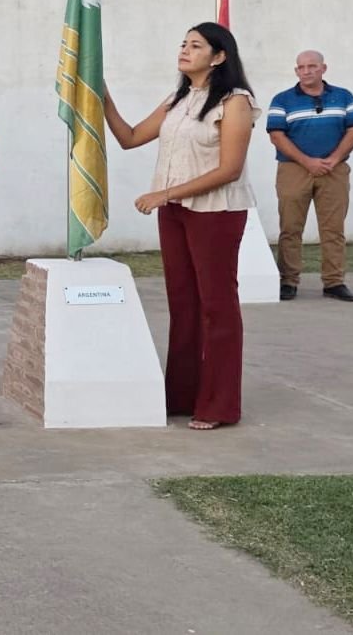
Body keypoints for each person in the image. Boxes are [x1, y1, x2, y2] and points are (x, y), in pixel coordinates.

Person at [104, 22, 258, 431]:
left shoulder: (235, 102)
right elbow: (130, 137)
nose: (185, 50)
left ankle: (220, 404)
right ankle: (183, 395)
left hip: (216, 214)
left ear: (219, 56)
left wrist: (165, 194)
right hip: (175, 213)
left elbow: (229, 169)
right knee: (183, 303)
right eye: (183, 43)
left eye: (196, 45)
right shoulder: (178, 98)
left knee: (216, 306)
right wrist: (100, 94)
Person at [266, 51, 353, 302]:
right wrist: (307, 161)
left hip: (334, 170)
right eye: (301, 67)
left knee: (333, 228)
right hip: (293, 170)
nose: (306, 71)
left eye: (312, 66)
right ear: (296, 71)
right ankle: (288, 281)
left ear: (324, 68)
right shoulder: (282, 100)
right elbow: (277, 135)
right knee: (290, 228)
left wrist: (334, 158)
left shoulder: (344, 96)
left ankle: (334, 282)